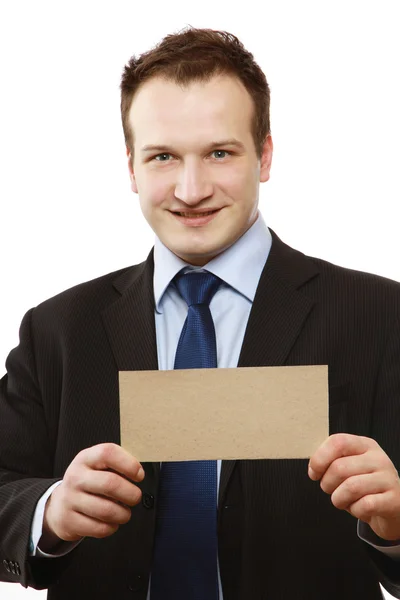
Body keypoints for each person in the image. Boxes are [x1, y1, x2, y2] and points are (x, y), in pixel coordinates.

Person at [0, 26, 400, 600]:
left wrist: (396, 526)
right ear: (132, 168)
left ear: (264, 156)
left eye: (219, 152)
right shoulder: (58, 329)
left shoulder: (380, 316)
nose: (191, 189)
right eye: (163, 156)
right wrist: (49, 512)